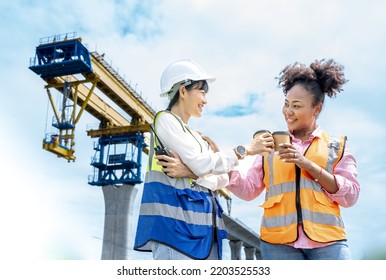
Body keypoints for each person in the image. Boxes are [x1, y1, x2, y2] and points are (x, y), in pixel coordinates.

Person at [134, 59, 272, 260]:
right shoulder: (165, 120)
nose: (205, 100)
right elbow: (203, 165)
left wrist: (190, 171)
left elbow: (222, 179)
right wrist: (246, 150)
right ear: (183, 91)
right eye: (202, 92)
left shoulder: (197, 137)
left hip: (201, 232)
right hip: (175, 231)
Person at [227, 59, 360, 260]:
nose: (288, 112)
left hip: (328, 243)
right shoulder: (270, 145)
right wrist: (222, 165)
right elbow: (248, 190)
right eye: (286, 104)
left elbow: (350, 196)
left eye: (296, 106)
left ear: (317, 109)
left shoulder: (337, 146)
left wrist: (307, 165)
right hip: (278, 244)